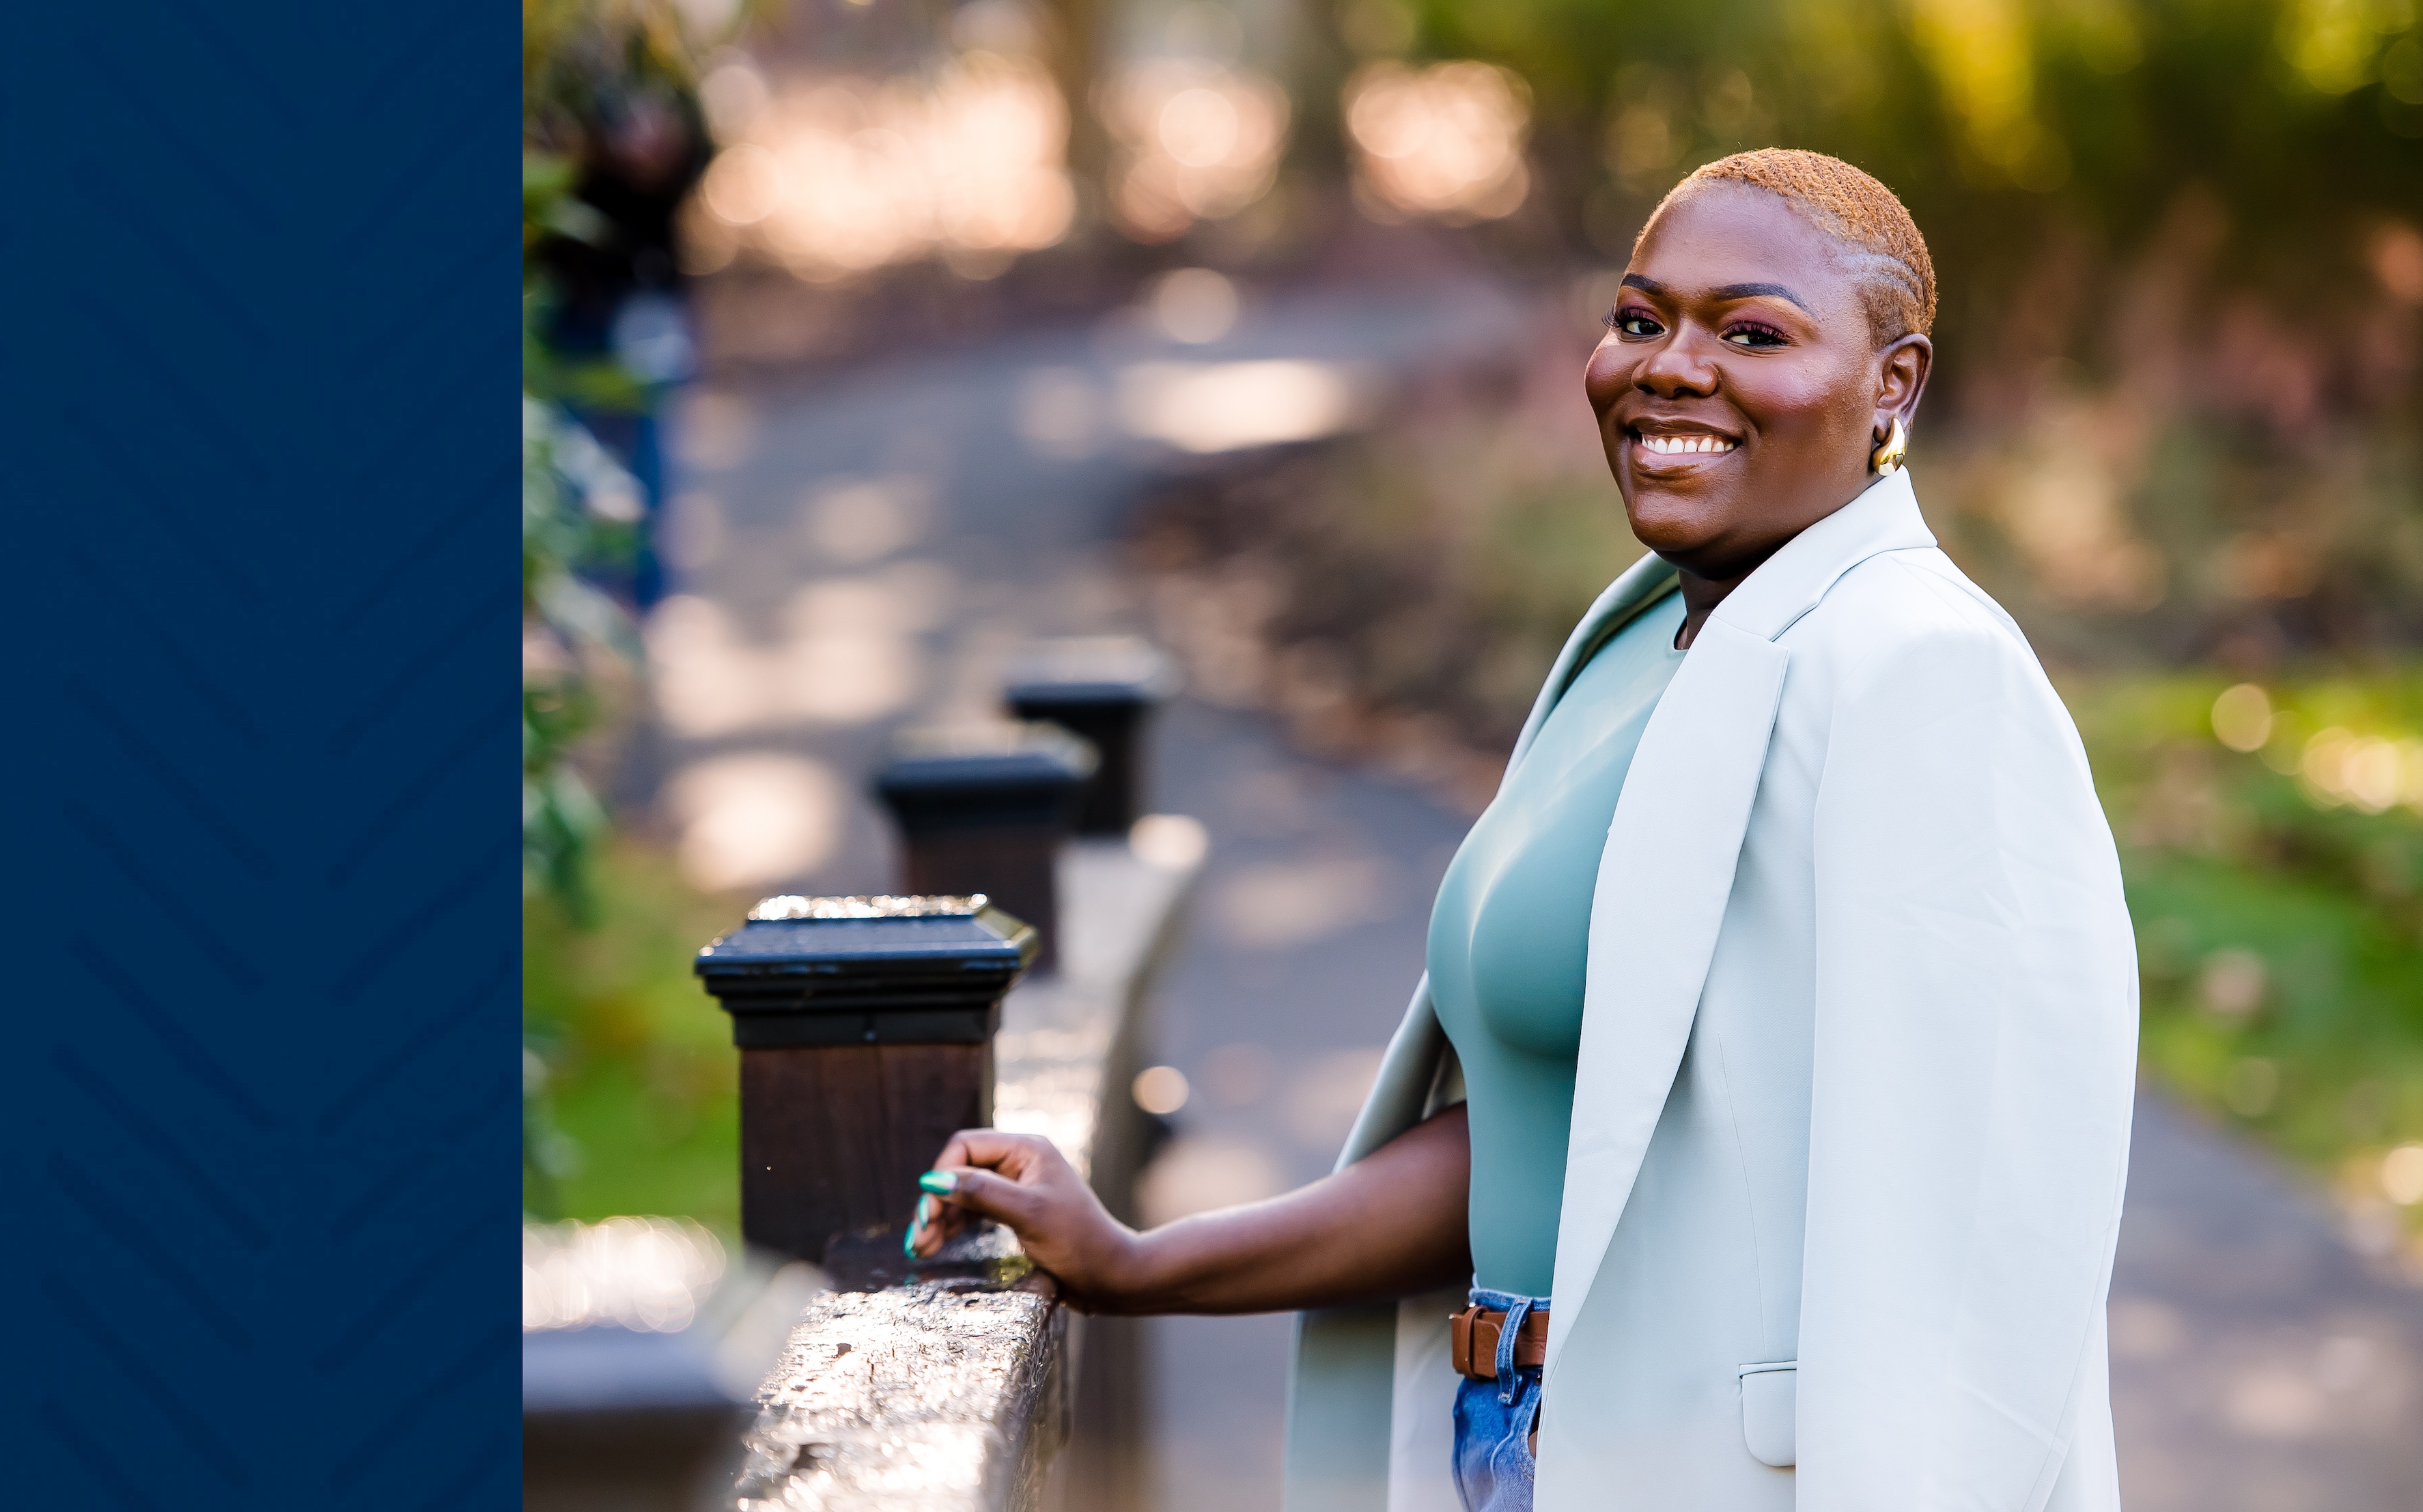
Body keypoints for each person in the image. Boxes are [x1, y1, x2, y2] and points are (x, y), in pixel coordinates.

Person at [906, 150, 2135, 1511]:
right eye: (1640, 318)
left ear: (1891, 383)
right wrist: (1138, 1261)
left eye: (1752, 333)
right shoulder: (1642, 639)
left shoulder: (1918, 666)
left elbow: (1983, 1241)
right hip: (1512, 1447)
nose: (1671, 367)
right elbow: (1531, 1132)